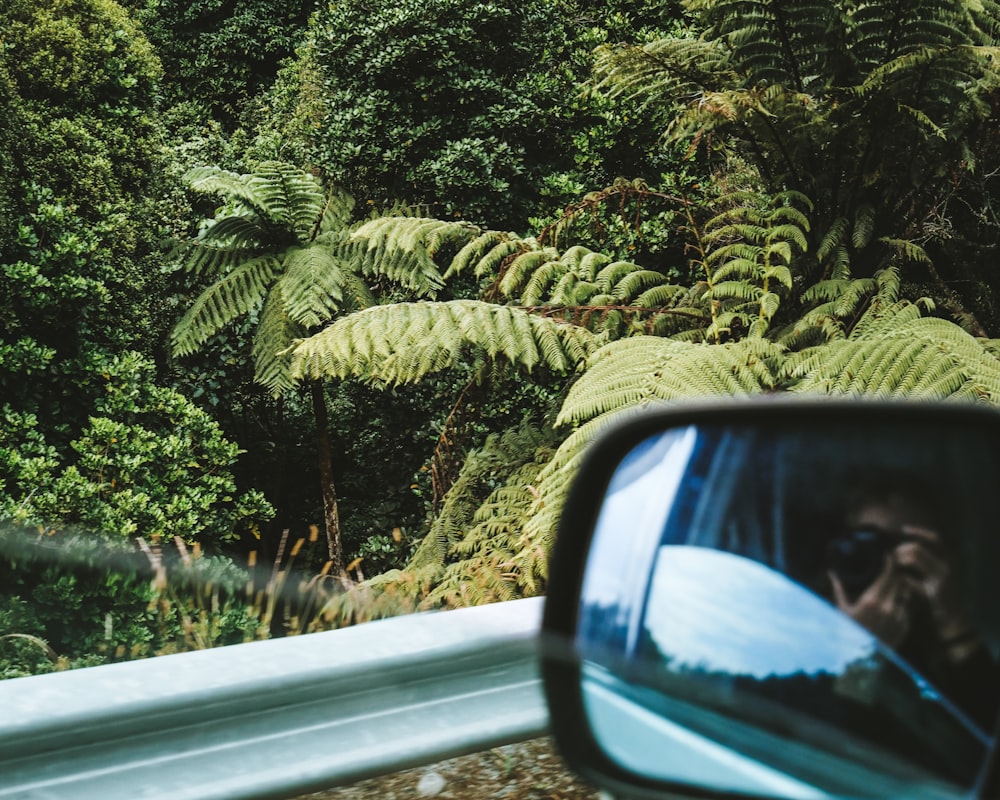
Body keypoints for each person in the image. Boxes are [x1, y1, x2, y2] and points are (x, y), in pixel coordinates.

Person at [826, 478, 1000, 731]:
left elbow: (981, 739)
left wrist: (952, 620)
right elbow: (831, 739)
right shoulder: (807, 627)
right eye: (868, 543)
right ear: (842, 548)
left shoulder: (937, 653)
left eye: (907, 547)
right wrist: (862, 651)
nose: (888, 562)